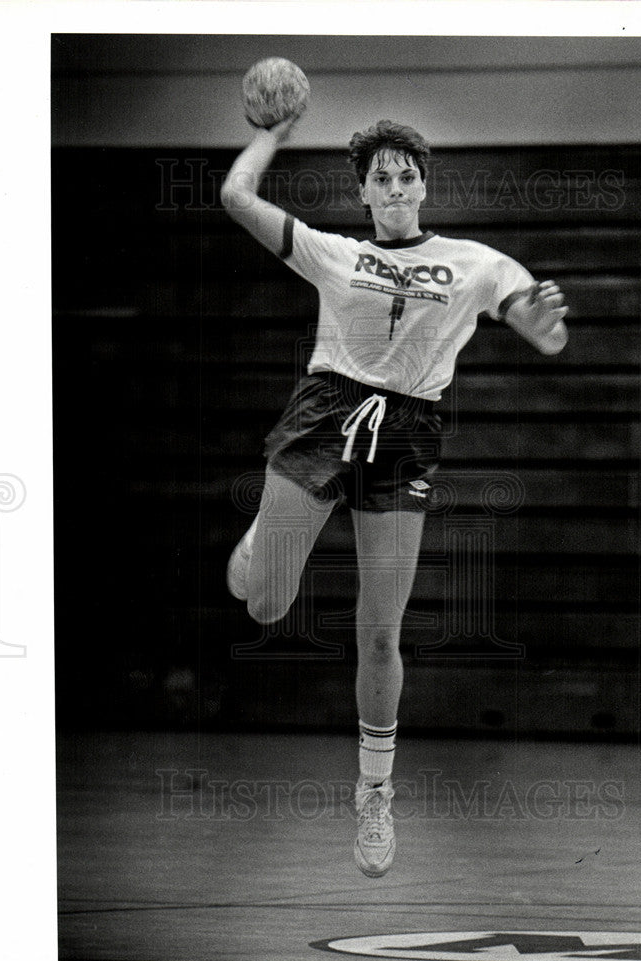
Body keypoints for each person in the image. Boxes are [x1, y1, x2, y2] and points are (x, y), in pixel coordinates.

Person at [221, 116, 567, 878]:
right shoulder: (335, 254)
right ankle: (258, 544)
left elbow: (544, 334)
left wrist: (544, 330)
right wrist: (272, 134)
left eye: (406, 175)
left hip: (407, 435)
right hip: (324, 416)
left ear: (423, 184)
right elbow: (235, 194)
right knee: (266, 607)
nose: (396, 187)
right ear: (363, 193)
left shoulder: (472, 263)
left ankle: (373, 794)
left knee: (380, 632)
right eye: (381, 177)